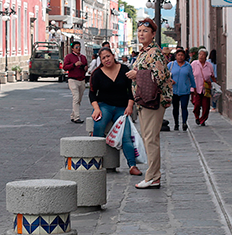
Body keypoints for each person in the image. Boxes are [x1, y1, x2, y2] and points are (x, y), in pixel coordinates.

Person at [126, 18, 172, 189]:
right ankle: (153, 176)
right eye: (139, 31)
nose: (141, 34)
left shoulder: (155, 52)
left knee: (151, 138)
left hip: (154, 100)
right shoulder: (144, 52)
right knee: (148, 138)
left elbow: (160, 76)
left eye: (145, 31)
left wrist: (137, 74)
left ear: (153, 34)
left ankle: (153, 176)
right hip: (144, 100)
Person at [89, 47, 142, 175]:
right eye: (103, 58)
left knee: (126, 135)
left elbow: (131, 90)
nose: (106, 59)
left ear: (113, 56)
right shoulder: (97, 73)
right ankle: (96, 160)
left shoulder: (124, 69)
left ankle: (132, 165)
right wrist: (96, 109)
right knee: (99, 126)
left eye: (108, 56)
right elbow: (92, 94)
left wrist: (130, 106)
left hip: (122, 108)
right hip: (105, 106)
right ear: (100, 60)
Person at [167, 48, 196, 131]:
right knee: (175, 108)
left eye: (182, 55)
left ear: (184, 56)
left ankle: (184, 123)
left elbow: (191, 77)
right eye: (178, 55)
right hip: (174, 90)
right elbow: (165, 76)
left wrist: (194, 88)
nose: (180, 57)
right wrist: (170, 80)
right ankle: (176, 123)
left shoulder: (188, 66)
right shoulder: (171, 65)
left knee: (184, 107)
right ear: (176, 56)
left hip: (185, 90)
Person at [61, 41, 88, 123]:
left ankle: (73, 115)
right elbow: (65, 67)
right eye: (76, 47)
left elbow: (86, 65)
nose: (78, 48)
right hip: (73, 79)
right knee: (76, 98)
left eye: (79, 47)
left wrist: (85, 68)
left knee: (79, 99)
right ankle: (76, 117)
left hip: (82, 80)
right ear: (72, 48)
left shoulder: (83, 57)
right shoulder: (69, 57)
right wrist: (74, 65)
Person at [191, 48, 215, 126]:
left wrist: (214, 85)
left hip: (206, 89)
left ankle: (202, 120)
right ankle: (197, 117)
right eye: (200, 54)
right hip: (196, 88)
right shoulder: (194, 64)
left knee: (206, 106)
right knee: (197, 105)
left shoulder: (209, 65)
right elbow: (190, 75)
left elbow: (212, 76)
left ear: (206, 56)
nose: (201, 56)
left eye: (203, 55)